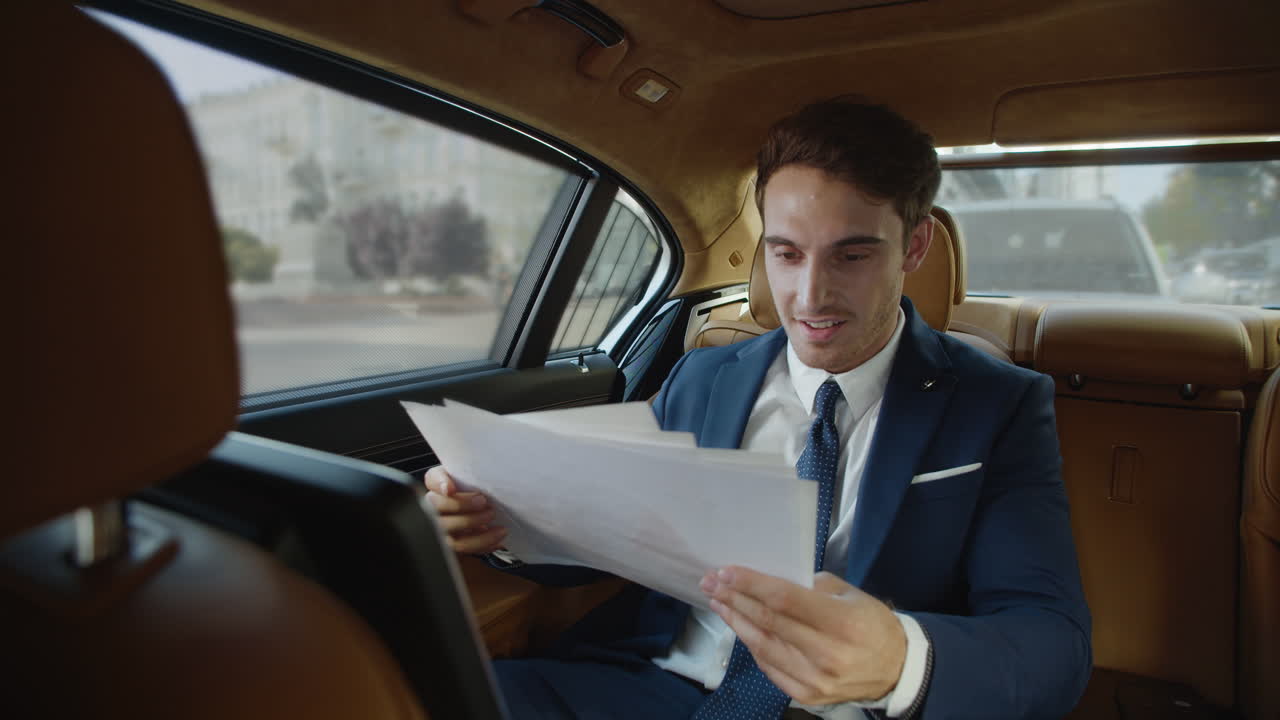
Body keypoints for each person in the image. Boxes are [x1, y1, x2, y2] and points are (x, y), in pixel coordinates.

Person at [425, 96, 1092, 719]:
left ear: (913, 247)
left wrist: (900, 660)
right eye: (787, 253)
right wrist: (499, 522)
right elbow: (608, 529)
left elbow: (1052, 641)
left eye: (852, 254)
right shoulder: (705, 374)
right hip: (654, 687)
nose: (811, 295)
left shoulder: (997, 402)